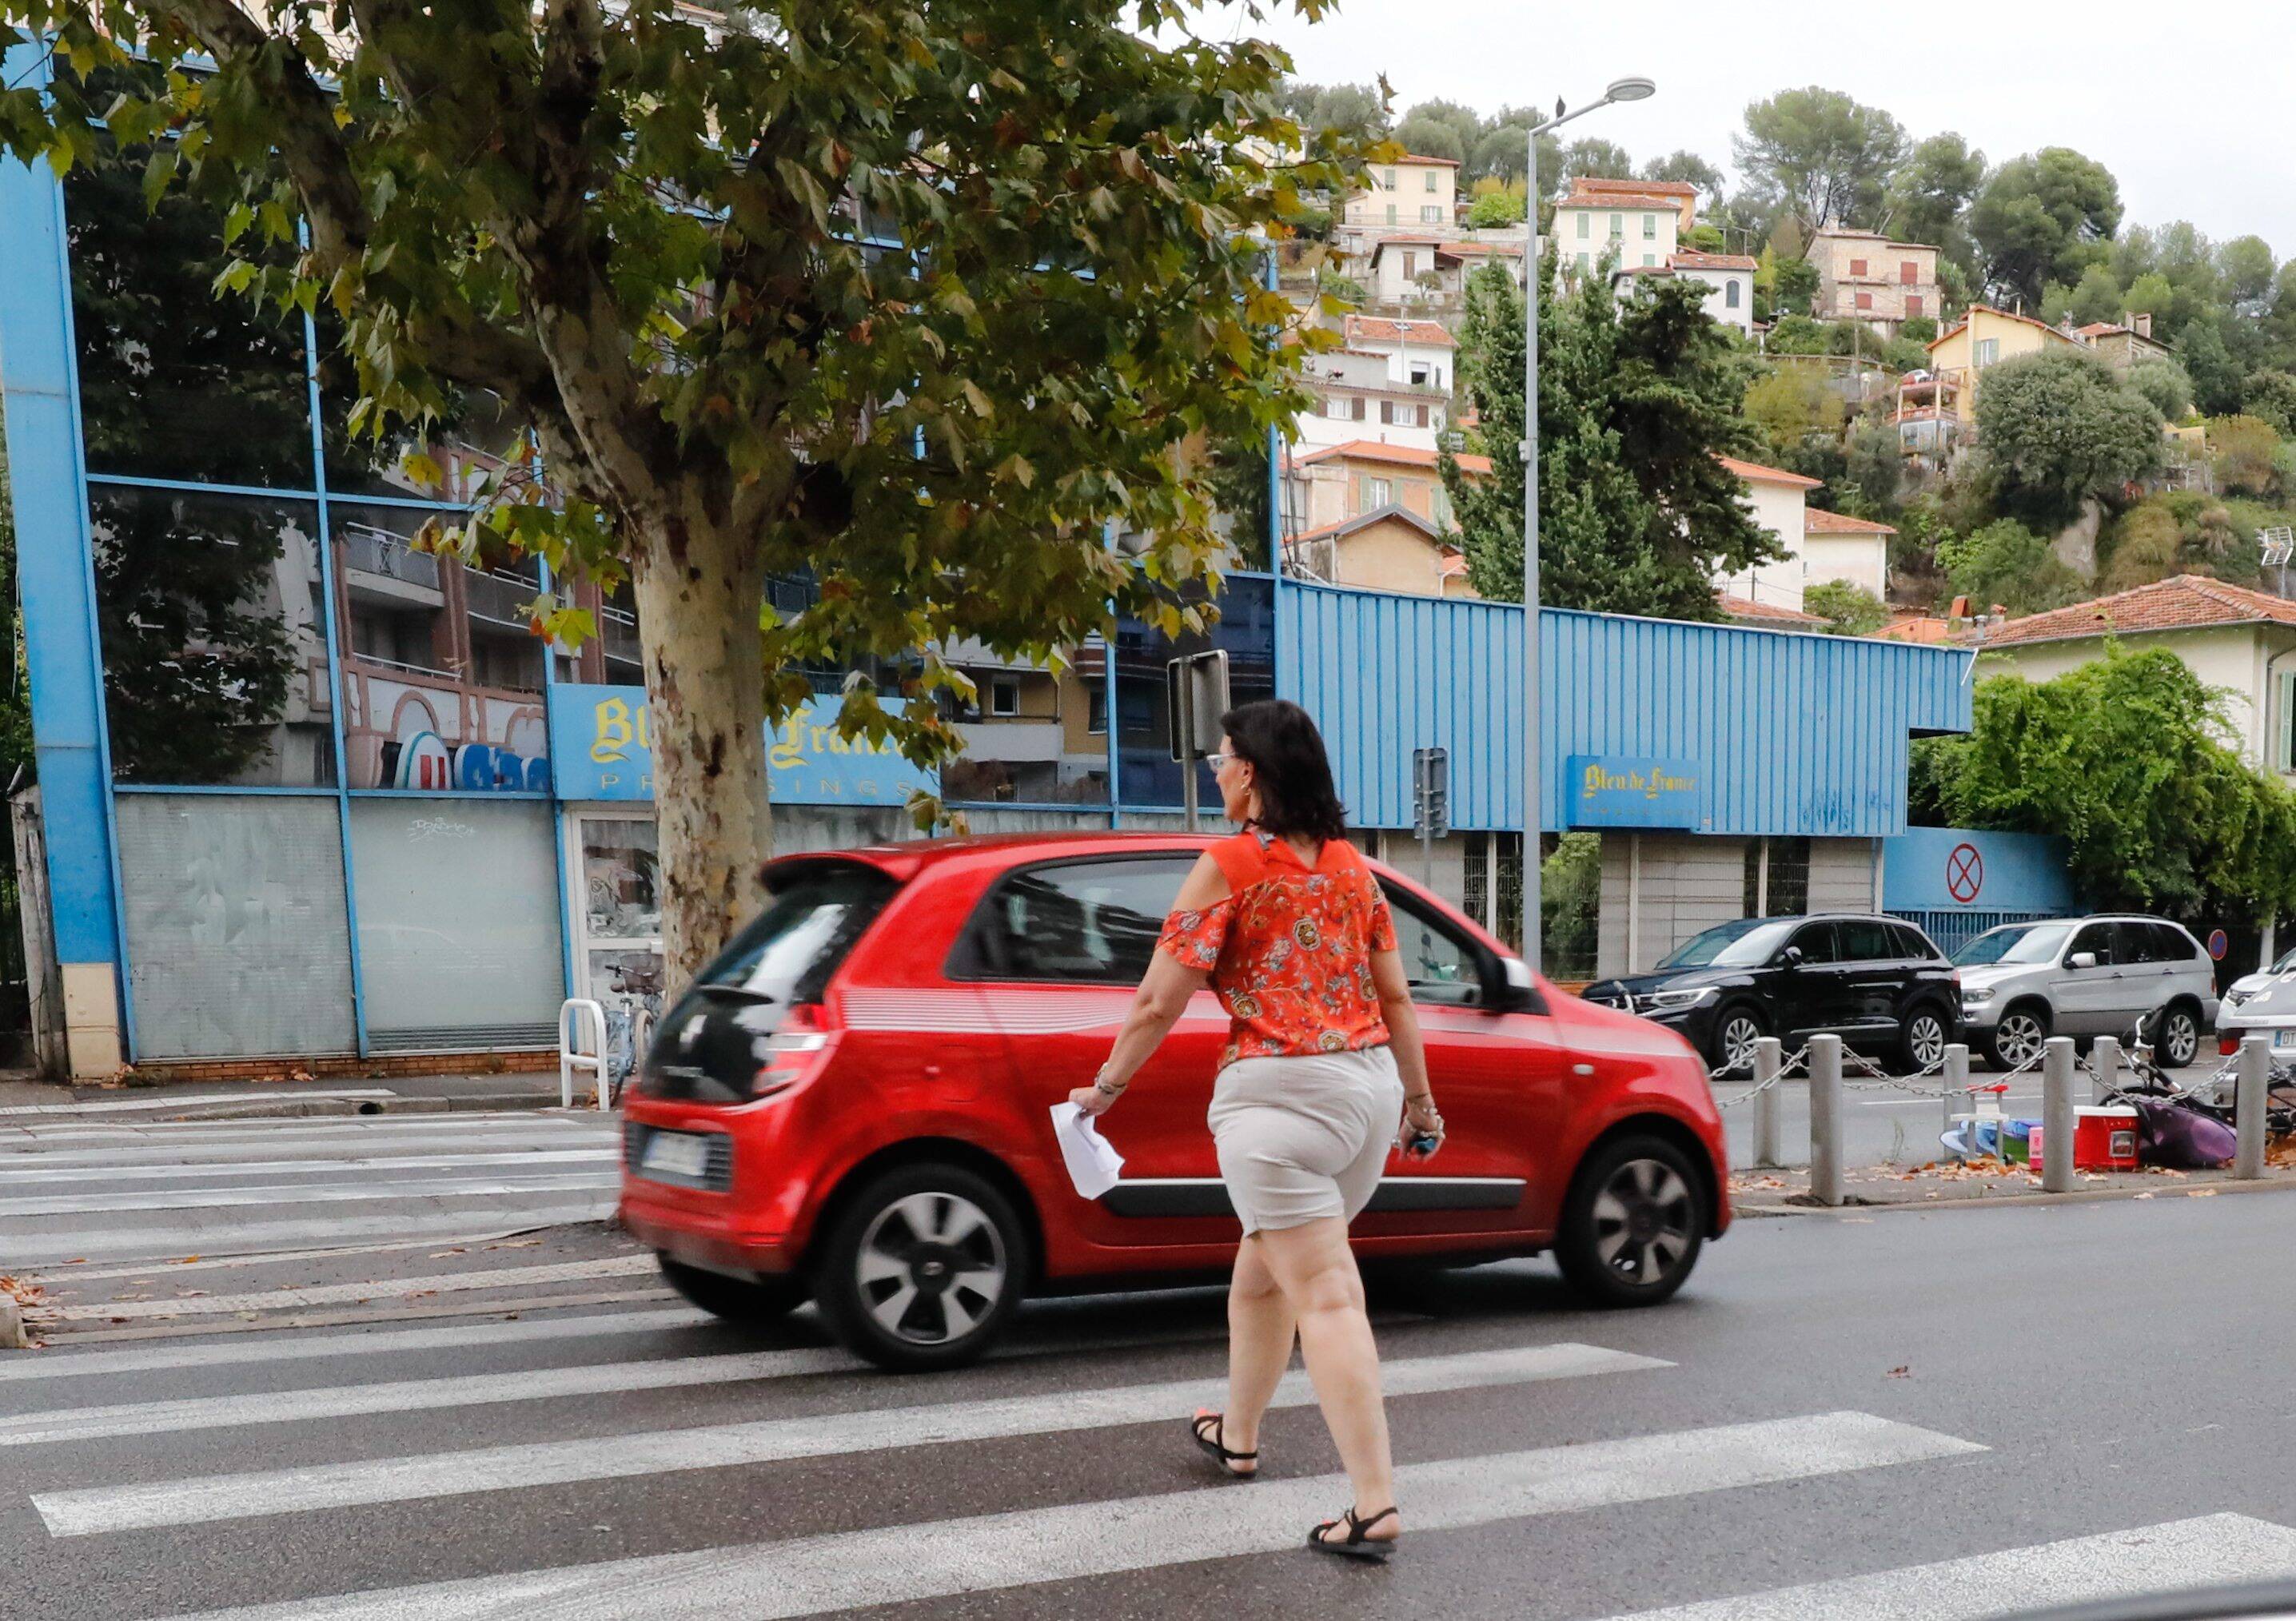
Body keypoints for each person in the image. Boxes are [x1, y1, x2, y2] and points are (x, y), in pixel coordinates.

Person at [1069, 698, 1443, 1563]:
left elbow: (1160, 998)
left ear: (1254, 772)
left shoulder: (1228, 865)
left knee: (1326, 1295)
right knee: (1264, 1270)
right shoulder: (1355, 869)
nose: (1213, 768)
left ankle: (1374, 1503)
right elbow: (1394, 999)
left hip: (1275, 1104)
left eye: (1223, 757)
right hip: (1366, 1099)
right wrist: (1419, 1106)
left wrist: (1105, 1089)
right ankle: (1237, 1434)